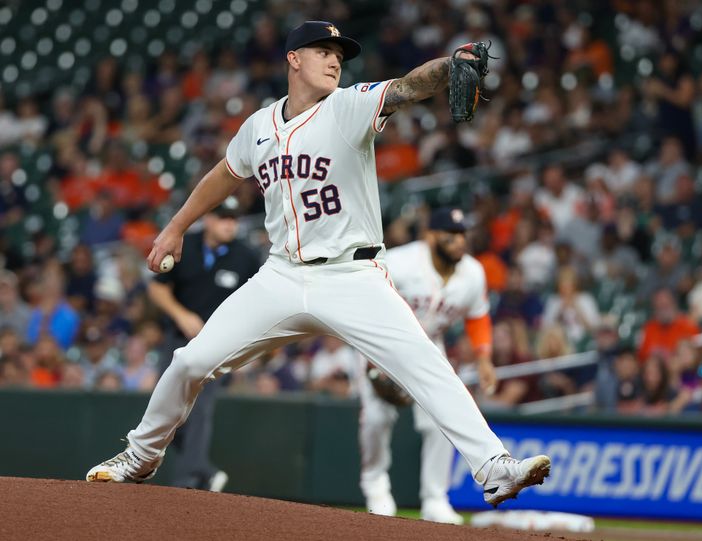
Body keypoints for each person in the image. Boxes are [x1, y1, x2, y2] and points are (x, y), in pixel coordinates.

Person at [86, 21, 551, 508]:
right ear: (293, 59)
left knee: (425, 362)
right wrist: (177, 226)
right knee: (190, 361)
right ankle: (141, 455)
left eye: (339, 53)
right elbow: (226, 174)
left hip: (353, 275)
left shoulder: (347, 107)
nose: (335, 60)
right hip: (282, 274)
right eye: (323, 50)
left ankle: (493, 465)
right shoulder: (258, 127)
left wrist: (449, 66)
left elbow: (409, 87)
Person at [359, 207, 497, 524]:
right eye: (451, 234)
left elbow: (478, 316)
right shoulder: (400, 262)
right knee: (377, 419)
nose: (460, 241)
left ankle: (435, 499)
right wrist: (370, 353)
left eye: (463, 234)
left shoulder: (473, 273)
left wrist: (484, 357)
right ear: (431, 236)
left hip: (429, 344)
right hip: (382, 339)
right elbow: (365, 298)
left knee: (442, 418)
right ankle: (376, 489)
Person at [146, 196, 260, 492]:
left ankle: (187, 482)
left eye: (234, 218)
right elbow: (157, 290)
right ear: (208, 219)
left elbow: (256, 304)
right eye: (223, 217)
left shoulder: (245, 256)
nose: (229, 224)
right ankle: (204, 471)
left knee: (200, 409)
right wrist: (181, 315)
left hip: (218, 346)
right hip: (177, 340)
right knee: (169, 409)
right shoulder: (185, 245)